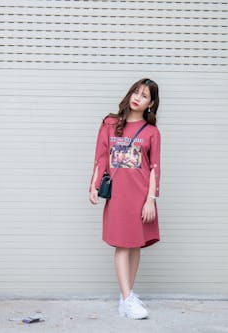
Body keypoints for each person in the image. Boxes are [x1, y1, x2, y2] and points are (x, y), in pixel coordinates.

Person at [89, 78, 161, 320]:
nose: (137, 97)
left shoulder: (152, 132)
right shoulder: (110, 124)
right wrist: (93, 185)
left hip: (141, 195)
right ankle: (127, 297)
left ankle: (126, 297)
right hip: (118, 195)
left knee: (135, 245)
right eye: (136, 91)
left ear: (151, 104)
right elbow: (100, 157)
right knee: (122, 244)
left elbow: (154, 168)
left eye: (144, 95)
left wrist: (151, 198)